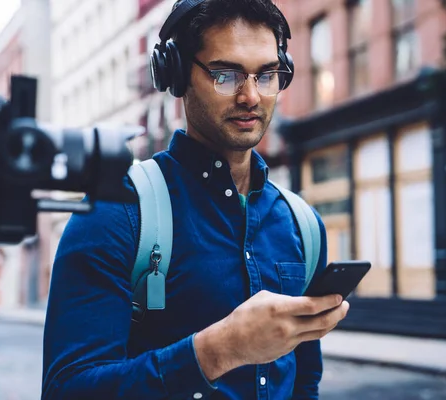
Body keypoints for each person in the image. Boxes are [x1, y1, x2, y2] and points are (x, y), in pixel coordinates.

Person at [41, 0, 350, 399]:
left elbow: (304, 383)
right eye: (226, 74)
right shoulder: (115, 211)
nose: (251, 96)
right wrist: (219, 350)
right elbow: (67, 390)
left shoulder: (303, 225)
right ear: (177, 74)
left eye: (267, 74)